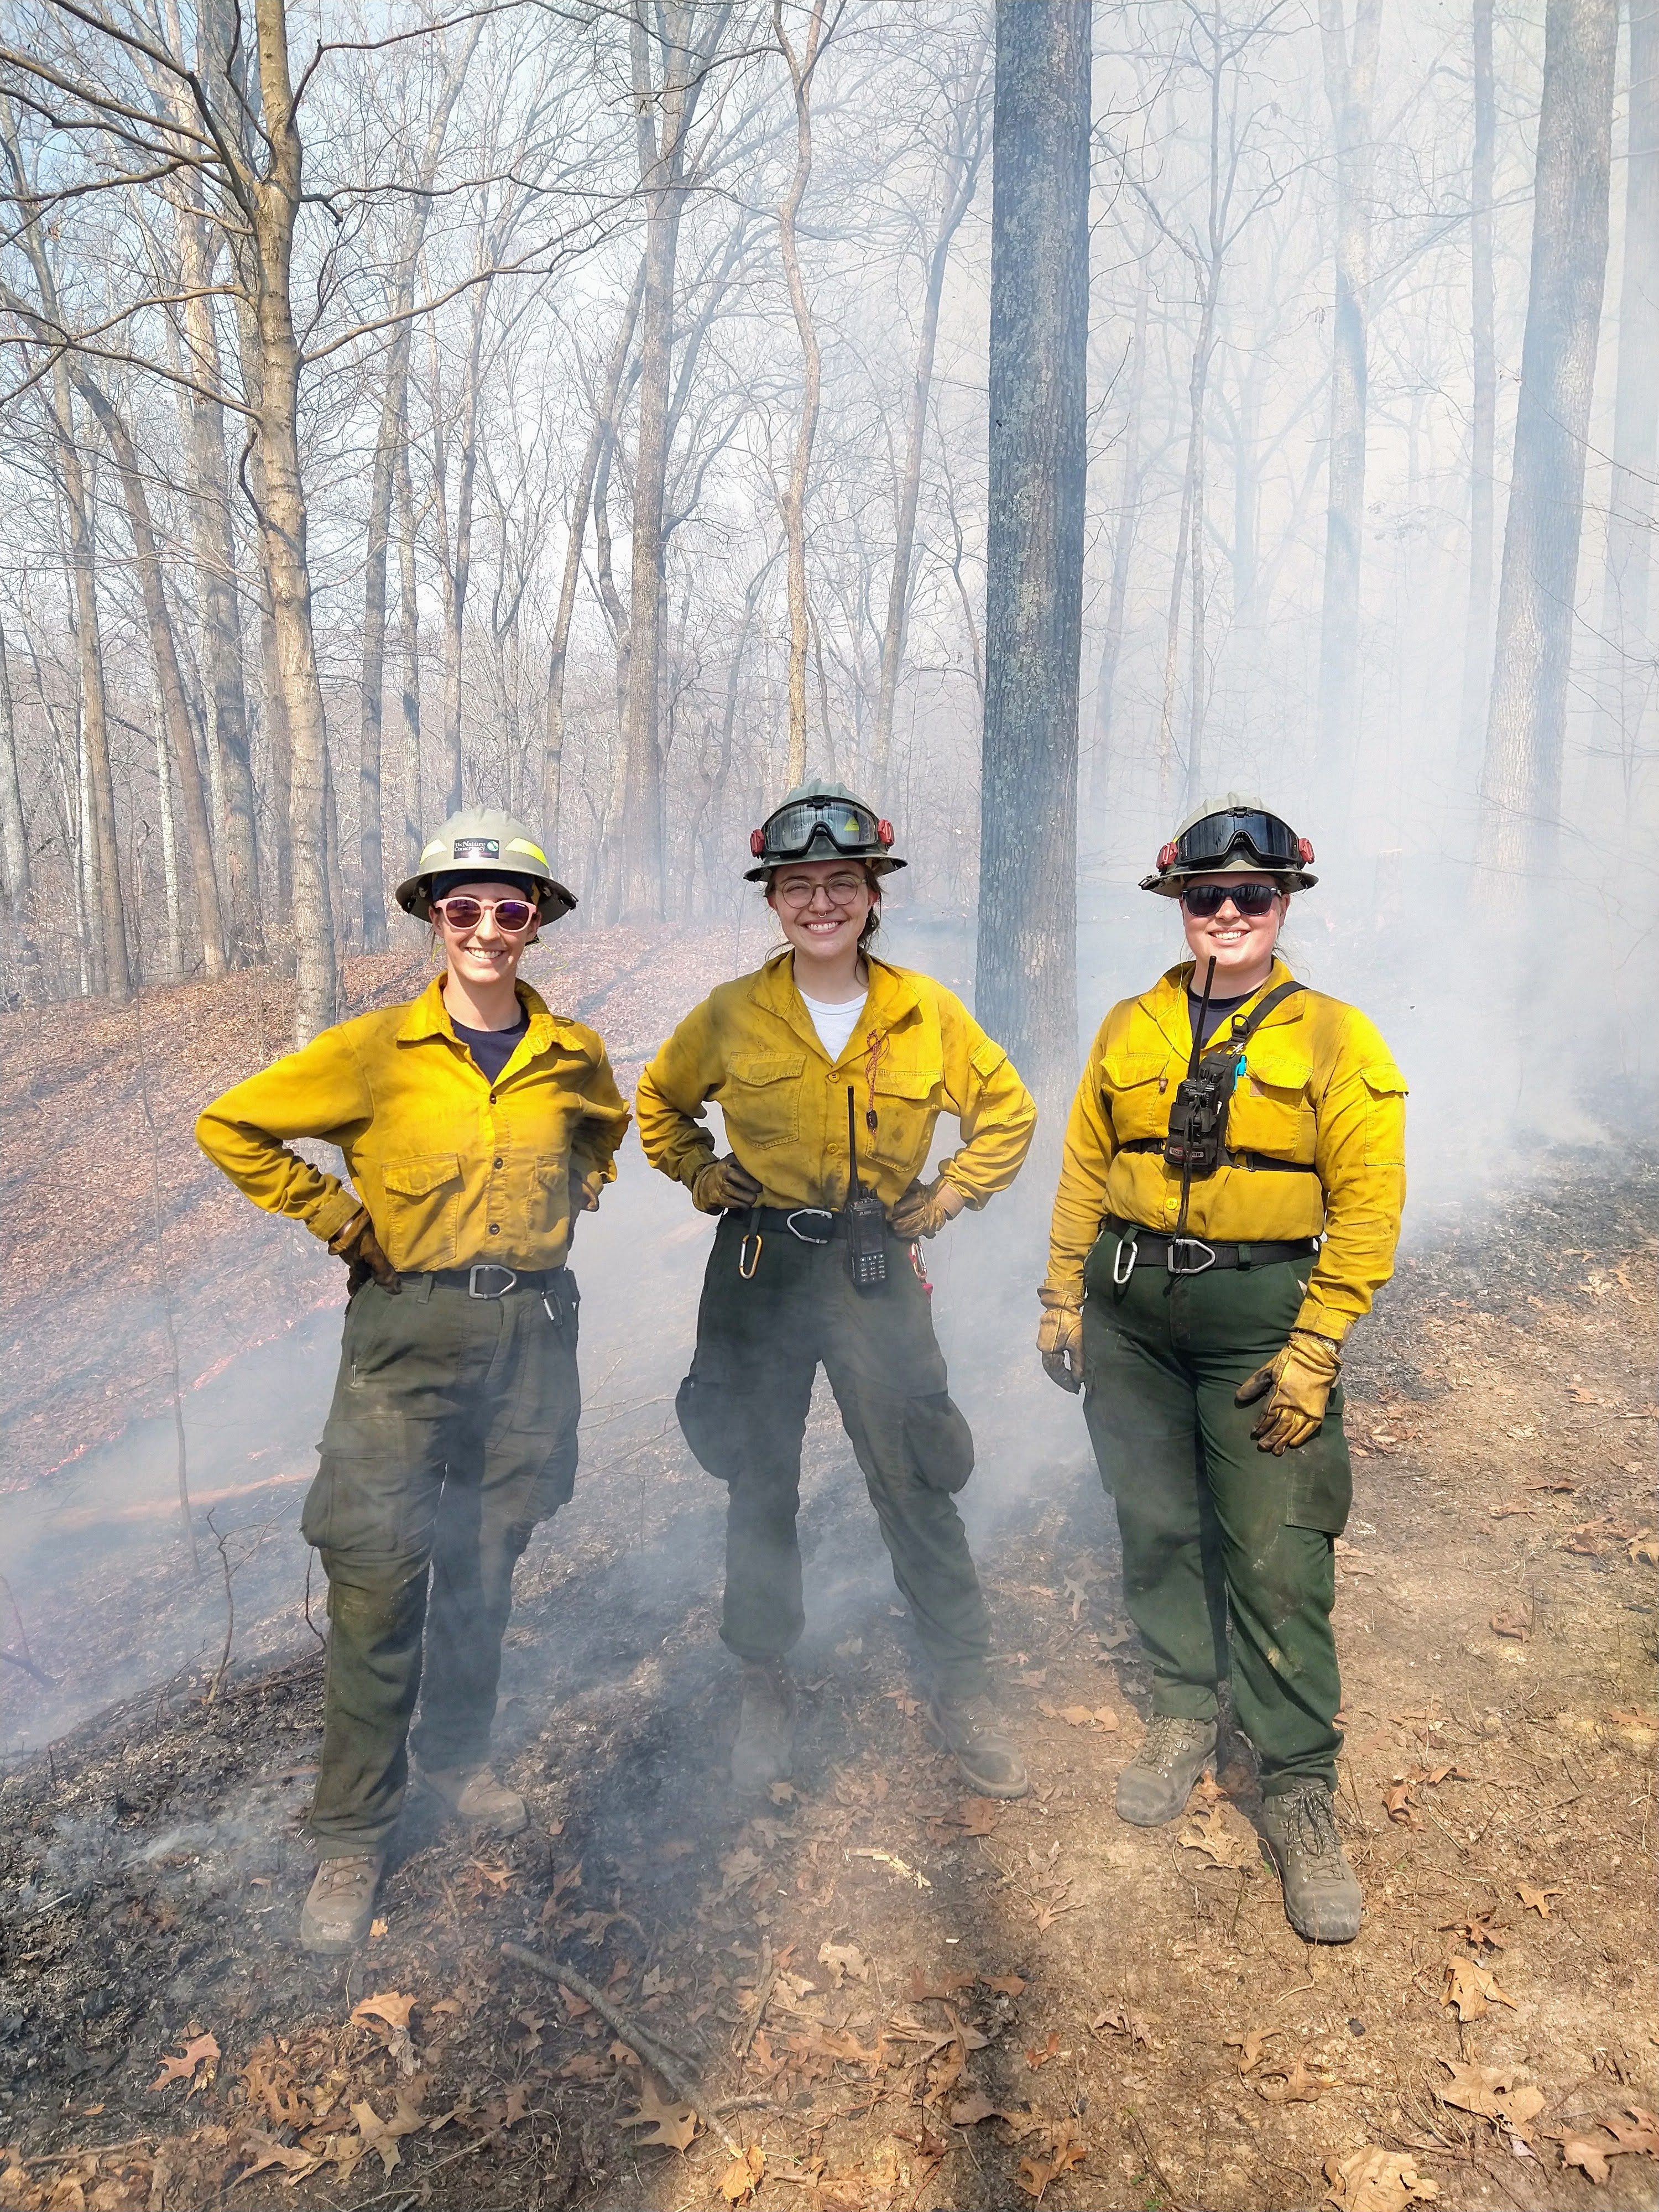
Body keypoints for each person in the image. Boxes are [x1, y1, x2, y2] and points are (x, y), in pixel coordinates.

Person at [196, 808, 628, 1953]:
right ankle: (352, 1835)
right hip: (405, 1338)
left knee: (487, 1561)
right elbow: (231, 1123)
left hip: (532, 1333)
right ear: (434, 918)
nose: (487, 926)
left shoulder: (573, 1050)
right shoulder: (374, 1050)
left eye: (511, 907)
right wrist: (338, 1215)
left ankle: (460, 1761)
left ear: (538, 922)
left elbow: (603, 1132)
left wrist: (574, 1192)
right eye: (463, 906)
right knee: (380, 1579)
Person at [1036, 798, 1406, 1942]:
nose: (1231, 913)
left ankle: (1297, 1783)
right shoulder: (1129, 1025)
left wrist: (1317, 1343)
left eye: (1254, 894)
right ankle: (1184, 1709)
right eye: (1209, 897)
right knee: (1155, 1523)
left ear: (1284, 903)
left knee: (1278, 1550)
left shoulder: (1339, 1036)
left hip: (1262, 1318)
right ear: (1180, 907)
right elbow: (1086, 1164)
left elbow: (1370, 1205)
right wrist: (1061, 1292)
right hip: (1132, 1305)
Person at [636, 781, 1038, 1799]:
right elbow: (660, 1101)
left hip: (873, 1269)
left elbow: (1008, 1111)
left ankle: (963, 1680)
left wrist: (947, 1198)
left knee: (914, 1473)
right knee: (759, 1478)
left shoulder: (923, 1012)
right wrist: (697, 1173)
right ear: (773, 900)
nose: (822, 904)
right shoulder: (732, 1014)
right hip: (762, 1270)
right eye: (799, 886)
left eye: (843, 884)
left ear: (874, 896)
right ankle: (765, 1680)